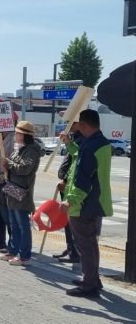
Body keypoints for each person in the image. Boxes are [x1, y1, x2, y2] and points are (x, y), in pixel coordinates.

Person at [61, 109, 112, 298]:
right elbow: (80, 157)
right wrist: (69, 144)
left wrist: (70, 201)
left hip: (84, 204)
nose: (76, 128)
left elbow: (83, 180)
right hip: (96, 202)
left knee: (86, 246)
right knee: (90, 244)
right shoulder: (101, 143)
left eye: (77, 124)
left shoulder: (90, 146)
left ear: (83, 124)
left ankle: (89, 285)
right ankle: (92, 279)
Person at [0, 120, 42, 266]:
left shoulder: (31, 151)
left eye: (18, 133)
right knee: (14, 224)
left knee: (22, 226)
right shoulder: (20, 149)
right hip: (13, 191)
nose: (15, 136)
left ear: (24, 135)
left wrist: (9, 164)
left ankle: (25, 256)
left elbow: (24, 169)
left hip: (22, 193)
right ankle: (13, 251)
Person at [53, 120, 83, 264]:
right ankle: (70, 248)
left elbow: (76, 164)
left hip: (70, 186)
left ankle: (74, 251)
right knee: (67, 220)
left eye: (72, 122)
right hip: (66, 184)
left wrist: (65, 180)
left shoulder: (81, 140)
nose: (69, 125)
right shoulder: (74, 138)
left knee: (72, 221)